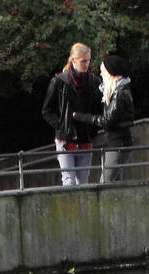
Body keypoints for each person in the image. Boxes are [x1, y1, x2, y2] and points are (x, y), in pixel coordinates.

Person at [41, 43, 101, 187]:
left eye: (88, 60)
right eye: (83, 61)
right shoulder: (59, 81)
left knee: (83, 181)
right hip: (65, 140)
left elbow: (99, 110)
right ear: (73, 60)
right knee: (69, 181)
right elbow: (47, 110)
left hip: (85, 138)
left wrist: (93, 130)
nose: (87, 64)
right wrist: (62, 127)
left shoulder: (94, 82)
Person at [78, 54, 136, 184]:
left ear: (112, 73)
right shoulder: (113, 91)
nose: (101, 74)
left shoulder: (120, 94)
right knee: (114, 182)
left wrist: (82, 117)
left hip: (118, 144)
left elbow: (107, 121)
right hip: (116, 142)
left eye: (103, 71)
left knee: (106, 183)